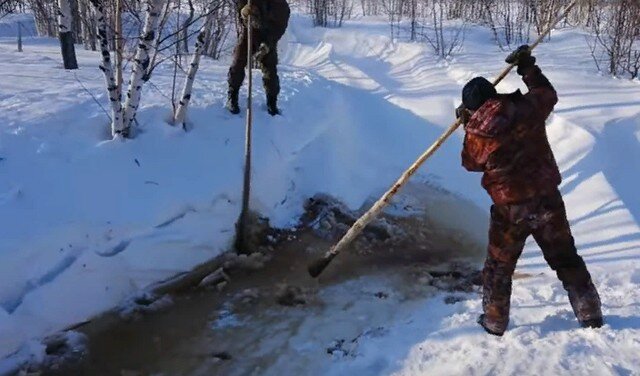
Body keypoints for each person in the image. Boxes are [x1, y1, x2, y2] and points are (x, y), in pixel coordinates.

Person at [457, 45, 603, 336]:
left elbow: (470, 163)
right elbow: (547, 94)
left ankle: (495, 321)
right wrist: (527, 68)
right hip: (547, 199)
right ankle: (589, 314)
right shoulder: (525, 108)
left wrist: (468, 125)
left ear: (472, 107)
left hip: (510, 209)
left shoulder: (478, 134)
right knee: (566, 257)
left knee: (499, 267)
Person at [226, 0, 290, 116]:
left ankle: (272, 102)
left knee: (270, 67)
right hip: (250, 33)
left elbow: (280, 26)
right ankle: (232, 96)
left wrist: (269, 43)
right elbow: (241, 18)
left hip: (269, 35)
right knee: (238, 60)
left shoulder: (280, 4)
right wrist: (244, 14)